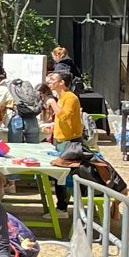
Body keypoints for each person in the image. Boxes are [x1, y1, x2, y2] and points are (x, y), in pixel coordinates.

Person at [46, 71, 82, 211]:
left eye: (53, 79)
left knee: (63, 176)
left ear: (62, 82)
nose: (49, 81)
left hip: (70, 142)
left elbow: (64, 116)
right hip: (61, 141)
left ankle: (62, 208)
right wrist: (53, 127)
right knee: (59, 175)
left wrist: (52, 103)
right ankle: (61, 206)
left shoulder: (70, 97)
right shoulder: (61, 97)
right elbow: (65, 120)